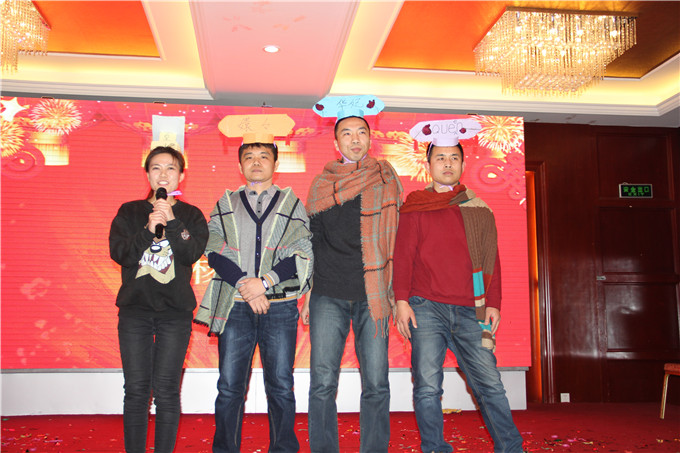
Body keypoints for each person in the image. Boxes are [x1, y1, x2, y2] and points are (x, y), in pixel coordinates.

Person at [393, 121, 524, 453]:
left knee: (490, 384)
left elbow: (492, 259)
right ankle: (434, 447)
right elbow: (403, 256)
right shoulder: (415, 205)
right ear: (429, 163)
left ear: (463, 164)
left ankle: (511, 448)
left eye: (454, 157)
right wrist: (401, 301)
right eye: (440, 158)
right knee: (427, 387)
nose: (447, 163)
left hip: (471, 309)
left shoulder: (478, 209)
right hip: (426, 307)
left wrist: (493, 303)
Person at [194, 127, 314, 453]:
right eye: (249, 157)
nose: (256, 162)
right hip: (235, 306)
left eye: (263, 156)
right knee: (229, 387)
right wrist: (244, 284)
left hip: (281, 306)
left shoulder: (292, 204)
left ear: (276, 163)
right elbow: (213, 248)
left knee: (281, 386)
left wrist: (263, 283)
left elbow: (302, 251)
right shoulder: (226, 204)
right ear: (240, 165)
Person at [303, 95, 403, 453]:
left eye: (361, 132)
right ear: (336, 142)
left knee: (376, 382)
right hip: (327, 293)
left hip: (372, 295)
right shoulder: (320, 185)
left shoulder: (386, 179)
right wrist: (307, 293)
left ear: (370, 138)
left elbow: (398, 240)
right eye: (346, 133)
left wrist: (397, 294)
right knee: (322, 383)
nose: (355, 139)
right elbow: (311, 243)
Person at [109, 145, 209, 453]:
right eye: (156, 168)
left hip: (174, 315)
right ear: (148, 174)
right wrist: (147, 229)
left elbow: (191, 253)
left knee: (166, 391)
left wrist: (173, 221)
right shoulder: (129, 211)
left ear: (181, 175)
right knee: (136, 391)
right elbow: (120, 253)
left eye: (170, 168)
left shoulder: (191, 215)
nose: (163, 174)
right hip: (135, 313)